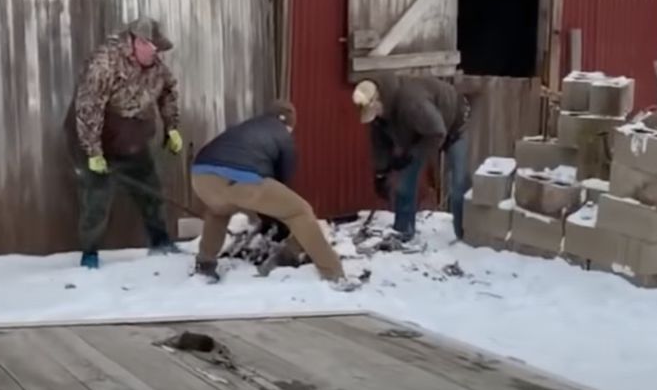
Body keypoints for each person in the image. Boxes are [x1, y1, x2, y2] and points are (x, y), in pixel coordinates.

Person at [189, 100, 356, 289]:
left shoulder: (248, 126)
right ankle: (334, 274)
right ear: (289, 123)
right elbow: (281, 180)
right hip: (242, 178)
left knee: (218, 211)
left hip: (201, 175)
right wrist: (278, 215)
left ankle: (205, 264)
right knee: (300, 211)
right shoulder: (283, 136)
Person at [64, 17, 183, 269]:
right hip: (96, 138)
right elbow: (88, 108)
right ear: (139, 42)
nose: (158, 54)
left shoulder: (154, 67)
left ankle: (161, 243)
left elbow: (168, 90)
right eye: (154, 48)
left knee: (150, 190)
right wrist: (93, 152)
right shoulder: (105, 63)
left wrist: (171, 127)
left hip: (130, 139)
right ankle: (90, 254)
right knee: (97, 197)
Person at [352, 73, 471, 242]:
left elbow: (437, 132)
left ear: (378, 101)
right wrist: (381, 173)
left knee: (458, 185)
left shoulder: (412, 104)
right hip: (420, 133)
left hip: (453, 127)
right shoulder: (381, 115)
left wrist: (413, 155)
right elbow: (380, 145)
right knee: (403, 185)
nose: (374, 116)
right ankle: (402, 232)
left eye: (373, 111)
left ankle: (464, 236)